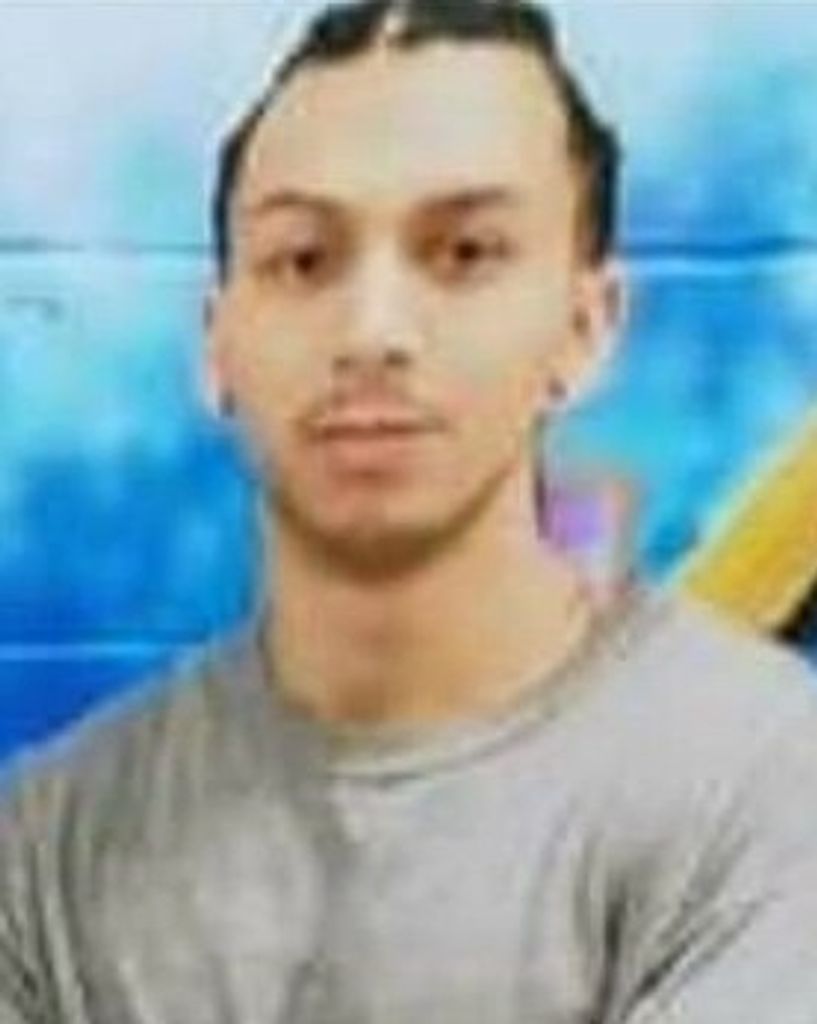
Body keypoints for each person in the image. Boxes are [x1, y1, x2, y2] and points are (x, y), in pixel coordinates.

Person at [2, 1, 817, 1021]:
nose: (372, 332)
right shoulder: (48, 845)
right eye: (304, 260)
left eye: (464, 253)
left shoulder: (771, 781)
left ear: (586, 326)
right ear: (217, 344)